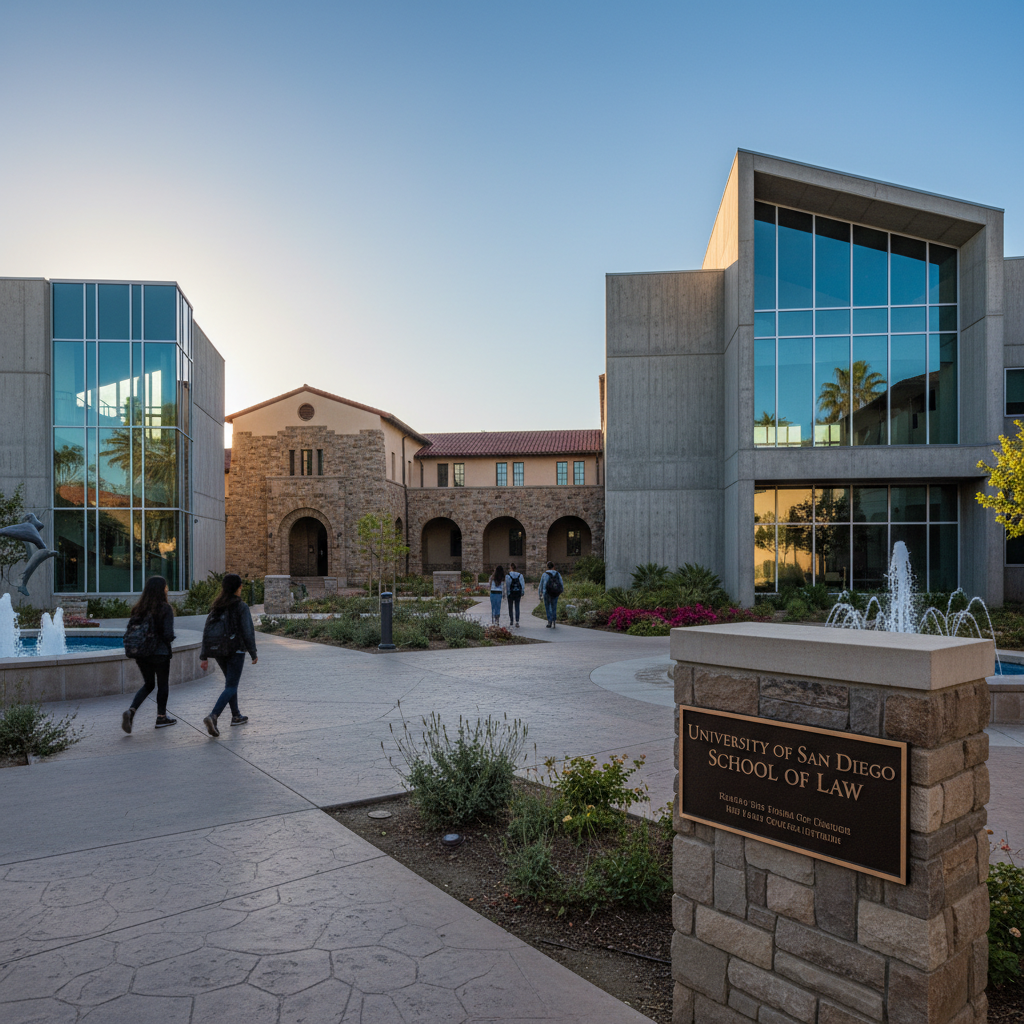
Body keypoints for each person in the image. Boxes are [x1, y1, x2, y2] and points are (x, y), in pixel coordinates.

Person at [200, 573, 258, 737]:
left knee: (230, 683)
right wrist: (253, 652)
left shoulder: (216, 606)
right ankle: (213, 715)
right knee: (231, 685)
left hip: (219, 650)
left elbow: (207, 632)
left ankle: (236, 716)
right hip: (235, 650)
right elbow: (248, 631)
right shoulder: (241, 606)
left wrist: (204, 655)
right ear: (239, 587)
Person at [121, 575, 177, 732]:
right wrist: (170, 639)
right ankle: (161, 717)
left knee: (149, 684)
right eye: (165, 586)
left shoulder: (138, 609)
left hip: (141, 653)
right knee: (163, 684)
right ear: (162, 589)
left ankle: (132, 710)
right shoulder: (165, 608)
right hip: (159, 652)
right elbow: (168, 634)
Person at [539, 561, 563, 629]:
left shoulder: (544, 574)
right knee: (554, 606)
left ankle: (549, 621)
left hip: (546, 592)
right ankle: (554, 620)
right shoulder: (557, 574)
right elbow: (561, 582)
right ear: (553, 566)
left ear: (547, 567)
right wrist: (561, 590)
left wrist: (540, 594)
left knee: (547, 606)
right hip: (555, 592)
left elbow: (541, 585)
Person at [505, 562, 525, 628]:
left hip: (511, 593)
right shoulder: (520, 575)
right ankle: (517, 621)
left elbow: (507, 585)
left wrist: (507, 593)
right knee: (517, 606)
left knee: (510, 607)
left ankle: (511, 620)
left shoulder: (508, 575)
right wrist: (522, 592)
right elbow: (522, 584)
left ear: (511, 567)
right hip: (517, 593)